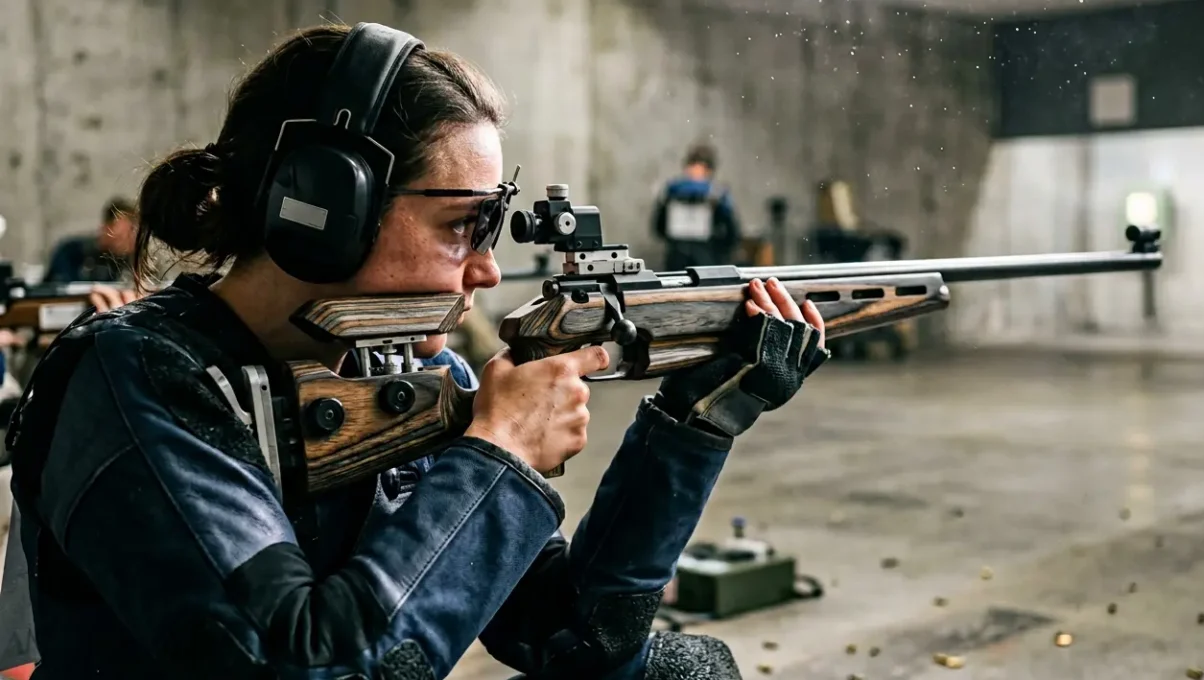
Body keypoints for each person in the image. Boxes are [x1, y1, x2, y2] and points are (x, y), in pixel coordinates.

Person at [2, 22, 829, 680]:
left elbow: (574, 639)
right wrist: (500, 454)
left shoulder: (408, 371)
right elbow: (307, 666)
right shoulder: (137, 374)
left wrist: (694, 424)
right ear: (325, 210)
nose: (488, 268)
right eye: (464, 224)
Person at [650, 143, 742, 271]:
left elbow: (659, 227)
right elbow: (731, 233)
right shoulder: (717, 194)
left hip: (690, 257)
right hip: (696, 258)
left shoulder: (673, 192)